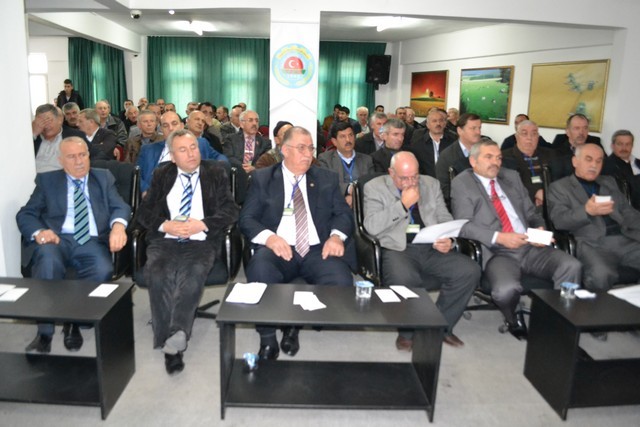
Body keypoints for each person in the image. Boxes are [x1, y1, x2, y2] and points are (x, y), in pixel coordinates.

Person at [239, 126, 355, 360]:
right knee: (260, 270)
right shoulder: (263, 178)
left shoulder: (325, 178)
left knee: (342, 281)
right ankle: (268, 338)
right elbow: (247, 219)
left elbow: (343, 214)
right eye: (301, 148)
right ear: (284, 150)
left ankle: (295, 323)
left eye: (311, 148)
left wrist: (336, 236)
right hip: (279, 247)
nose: (308, 154)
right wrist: (270, 238)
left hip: (316, 249)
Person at [451, 140, 581, 340]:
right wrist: (500, 237)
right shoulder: (462, 183)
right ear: (473, 161)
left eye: (498, 158)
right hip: (497, 252)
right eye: (489, 157)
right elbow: (463, 226)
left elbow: (532, 214)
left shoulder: (511, 177)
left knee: (572, 266)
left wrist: (539, 229)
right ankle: (513, 318)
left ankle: (560, 321)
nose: (496, 162)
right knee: (504, 291)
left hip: (529, 245)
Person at [134, 129, 238, 374]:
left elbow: (231, 210)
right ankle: (168, 339)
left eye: (194, 148)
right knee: (158, 273)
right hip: (167, 239)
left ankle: (177, 336)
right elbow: (144, 212)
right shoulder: (162, 174)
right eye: (183, 150)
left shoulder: (215, 172)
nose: (191, 154)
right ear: (172, 156)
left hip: (200, 239)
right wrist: (165, 225)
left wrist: (202, 224)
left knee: (192, 272)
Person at [16, 136, 130, 353]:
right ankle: (45, 332)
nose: (79, 161)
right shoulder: (47, 181)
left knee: (102, 269)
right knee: (47, 262)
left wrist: (118, 227)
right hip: (57, 239)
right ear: (61, 160)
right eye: (71, 157)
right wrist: (40, 232)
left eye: (83, 155)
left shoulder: (103, 177)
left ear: (89, 155)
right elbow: (26, 213)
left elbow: (120, 206)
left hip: (91, 240)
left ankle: (75, 321)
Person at [363, 152, 479, 350]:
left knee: (469, 270)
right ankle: (407, 332)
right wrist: (403, 205)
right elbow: (371, 227)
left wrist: (449, 239)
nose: (411, 182)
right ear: (391, 173)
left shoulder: (431, 184)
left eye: (414, 176)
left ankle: (440, 326)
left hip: (431, 246)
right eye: (404, 178)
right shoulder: (374, 187)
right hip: (398, 248)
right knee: (405, 280)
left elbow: (444, 217)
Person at [548, 143, 640, 292]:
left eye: (599, 161)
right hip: (592, 243)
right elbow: (560, 221)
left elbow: (628, 213)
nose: (594, 165)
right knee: (601, 274)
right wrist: (586, 211)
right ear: (575, 161)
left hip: (625, 239)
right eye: (588, 159)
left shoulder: (609, 182)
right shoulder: (559, 188)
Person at [137, 111, 228, 194]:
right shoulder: (148, 149)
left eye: (174, 123)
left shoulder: (200, 143)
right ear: (161, 129)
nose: (170, 128)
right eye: (165, 125)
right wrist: (145, 190)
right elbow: (136, 174)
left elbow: (221, 158)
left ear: (181, 126)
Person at [501, 120, 556, 209]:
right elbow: (508, 184)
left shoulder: (550, 155)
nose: (529, 138)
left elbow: (558, 179)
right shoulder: (504, 157)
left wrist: (547, 195)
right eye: (524, 134)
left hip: (550, 202)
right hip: (518, 205)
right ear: (516, 137)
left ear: (538, 137)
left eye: (534, 134)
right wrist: (535, 193)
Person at [318, 121, 374, 207]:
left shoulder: (366, 159)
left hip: (364, 205)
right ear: (334, 141)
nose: (348, 140)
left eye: (350, 135)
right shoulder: (326, 159)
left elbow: (371, 185)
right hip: (336, 206)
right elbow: (326, 184)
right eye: (343, 136)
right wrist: (349, 188)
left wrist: (354, 197)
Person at [436, 113, 482, 206]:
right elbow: (444, 189)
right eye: (473, 128)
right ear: (460, 131)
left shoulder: (484, 152)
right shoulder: (446, 156)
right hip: (458, 206)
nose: (478, 132)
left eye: (479, 128)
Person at [32, 103, 87, 173]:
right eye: (41, 122)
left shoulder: (75, 135)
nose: (46, 125)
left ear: (59, 120)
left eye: (49, 120)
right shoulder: (32, 139)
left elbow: (93, 155)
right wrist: (33, 135)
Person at [408, 108, 455, 177]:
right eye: (434, 121)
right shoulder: (418, 144)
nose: (438, 124)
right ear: (427, 125)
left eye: (441, 121)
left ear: (445, 124)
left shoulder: (453, 142)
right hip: (426, 181)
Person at [601, 130, 640, 209]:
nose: (624, 148)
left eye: (628, 144)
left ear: (632, 146)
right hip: (621, 211)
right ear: (612, 146)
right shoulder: (604, 165)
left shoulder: (638, 163)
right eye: (620, 144)